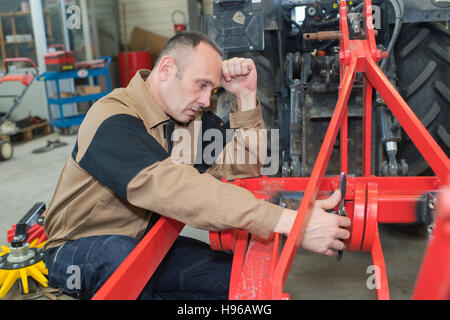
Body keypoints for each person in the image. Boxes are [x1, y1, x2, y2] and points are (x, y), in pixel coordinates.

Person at [42, 31, 351, 300]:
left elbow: (246, 169)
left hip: (147, 247)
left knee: (238, 281)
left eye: (212, 90)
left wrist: (245, 97)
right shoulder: (112, 118)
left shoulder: (188, 121)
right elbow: (174, 189)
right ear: (166, 69)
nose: (206, 100)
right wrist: (290, 223)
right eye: (201, 85)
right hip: (76, 251)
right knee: (119, 258)